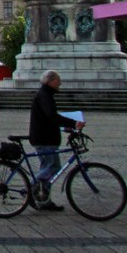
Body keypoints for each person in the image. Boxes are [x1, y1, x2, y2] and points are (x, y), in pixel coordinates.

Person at [29, 70, 85, 211]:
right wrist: (73, 123)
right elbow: (51, 116)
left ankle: (43, 199)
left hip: (45, 137)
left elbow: (49, 118)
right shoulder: (44, 96)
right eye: (57, 80)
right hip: (44, 138)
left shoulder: (45, 95)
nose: (60, 83)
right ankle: (30, 189)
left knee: (46, 167)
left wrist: (64, 128)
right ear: (50, 81)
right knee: (52, 167)